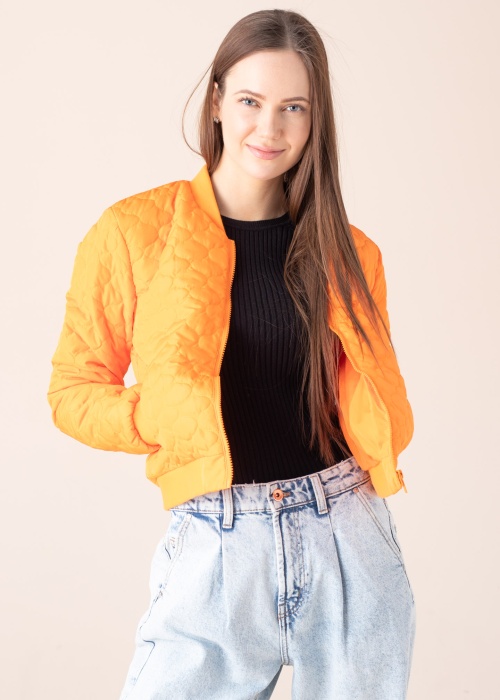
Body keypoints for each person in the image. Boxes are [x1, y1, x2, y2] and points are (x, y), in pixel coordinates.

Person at [47, 9, 416, 700]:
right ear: (217, 101)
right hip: (216, 538)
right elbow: (72, 390)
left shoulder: (351, 253)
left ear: (315, 121)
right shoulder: (133, 233)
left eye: (293, 108)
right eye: (250, 101)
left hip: (347, 535)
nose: (268, 128)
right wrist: (156, 415)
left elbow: (364, 399)